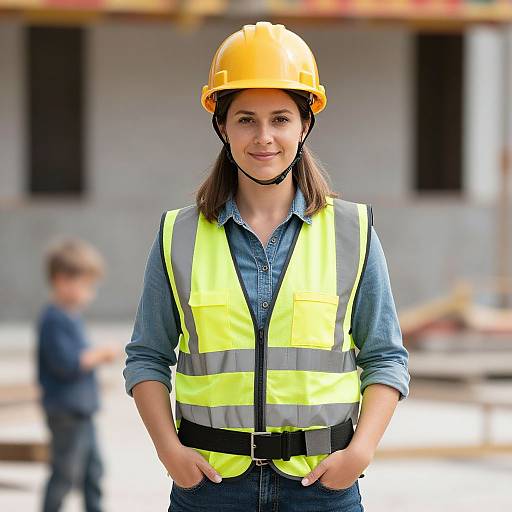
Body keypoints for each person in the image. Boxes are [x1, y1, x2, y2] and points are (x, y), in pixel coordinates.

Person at [123, 21, 410, 511]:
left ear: (305, 125)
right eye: (245, 119)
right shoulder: (179, 234)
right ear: (221, 126)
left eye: (280, 118)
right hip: (210, 488)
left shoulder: (352, 231)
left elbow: (385, 357)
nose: (264, 137)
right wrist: (169, 451)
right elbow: (147, 357)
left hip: (320, 487)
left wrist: (358, 453)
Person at [37, 238, 121, 512]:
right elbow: (67, 362)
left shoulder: (71, 317)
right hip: (66, 414)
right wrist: (100, 355)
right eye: (86, 286)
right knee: (65, 473)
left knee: (92, 471)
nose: (89, 294)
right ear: (62, 280)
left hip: (82, 412)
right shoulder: (54, 319)